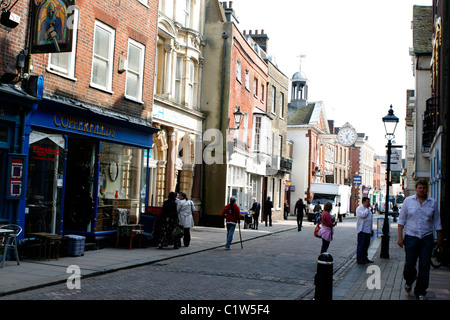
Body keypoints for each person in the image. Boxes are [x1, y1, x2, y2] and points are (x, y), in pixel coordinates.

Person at [397, 179, 442, 300]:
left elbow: (437, 222)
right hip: (411, 236)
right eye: (420, 188)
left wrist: (439, 239)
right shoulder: (408, 201)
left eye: (424, 188)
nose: (422, 190)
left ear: (427, 189)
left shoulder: (433, 202)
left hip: (426, 238)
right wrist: (400, 237)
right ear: (416, 188)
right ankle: (409, 281)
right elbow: (401, 221)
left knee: (424, 265)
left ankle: (420, 291)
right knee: (410, 265)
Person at [356, 197, 374, 264]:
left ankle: (365, 257)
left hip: (367, 230)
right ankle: (359, 259)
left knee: (366, 245)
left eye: (369, 202)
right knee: (361, 245)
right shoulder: (359, 208)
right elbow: (363, 215)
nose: (368, 203)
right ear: (363, 202)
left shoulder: (368, 209)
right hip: (362, 230)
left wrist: (371, 229)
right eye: (367, 202)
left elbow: (370, 220)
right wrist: (367, 209)